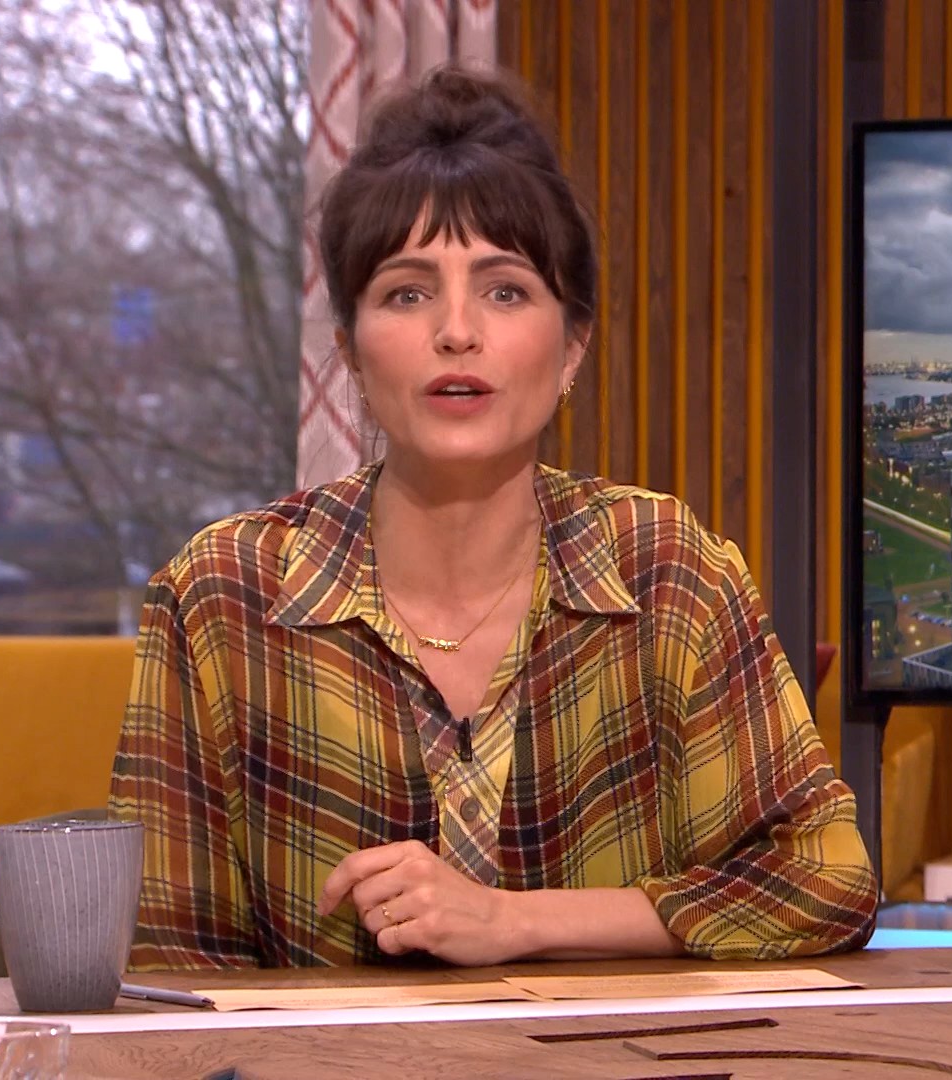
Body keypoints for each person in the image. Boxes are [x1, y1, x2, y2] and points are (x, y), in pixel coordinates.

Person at [108, 66, 878, 970]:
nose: (457, 332)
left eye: (505, 290)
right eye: (407, 292)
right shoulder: (221, 595)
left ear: (572, 348)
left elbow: (824, 882)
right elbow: (166, 968)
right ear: (350, 352)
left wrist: (515, 922)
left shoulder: (667, 570)